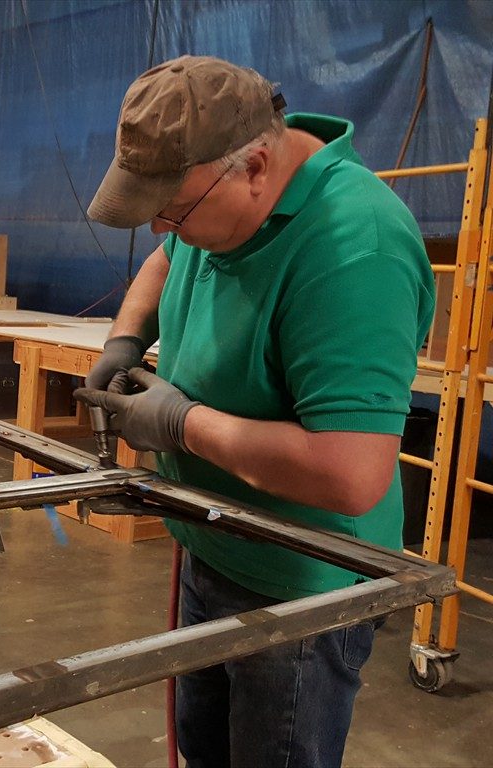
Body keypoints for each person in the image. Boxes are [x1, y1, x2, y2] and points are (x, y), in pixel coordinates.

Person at [74, 56, 435, 768]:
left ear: (257, 167)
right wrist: (127, 337)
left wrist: (182, 425)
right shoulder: (220, 184)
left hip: (297, 584)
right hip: (213, 534)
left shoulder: (355, 246)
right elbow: (168, 258)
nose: (161, 229)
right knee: (204, 751)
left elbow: (351, 472)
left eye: (170, 211)